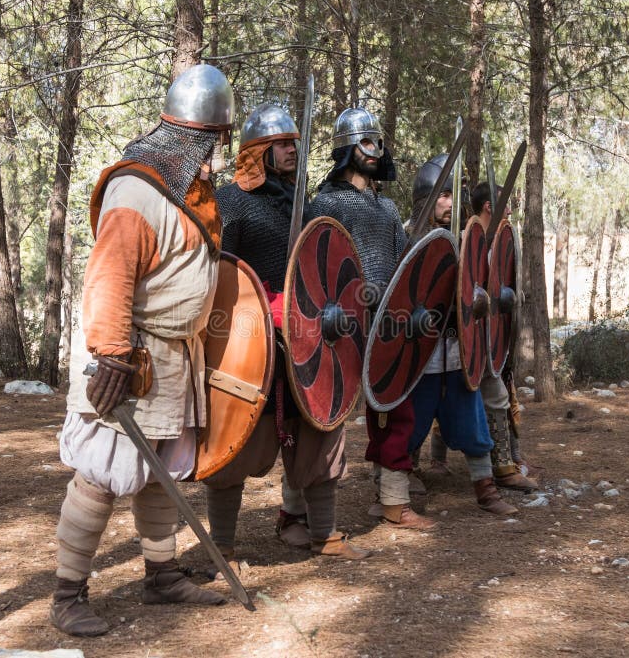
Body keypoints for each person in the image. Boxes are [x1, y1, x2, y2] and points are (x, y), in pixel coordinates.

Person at [49, 64, 235, 637]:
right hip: (133, 355)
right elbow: (109, 276)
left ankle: (161, 576)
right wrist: (110, 354)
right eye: (218, 140)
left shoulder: (190, 191)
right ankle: (67, 593)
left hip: (176, 356)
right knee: (101, 473)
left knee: (161, 475)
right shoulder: (137, 190)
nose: (221, 153)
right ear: (198, 137)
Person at [204, 103, 370, 563]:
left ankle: (324, 534)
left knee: (320, 428)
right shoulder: (231, 203)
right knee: (233, 439)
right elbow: (219, 277)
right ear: (257, 152)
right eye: (281, 144)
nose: (291, 150)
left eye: (294, 143)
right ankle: (222, 546)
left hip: (309, 339)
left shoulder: (307, 206)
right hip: (248, 343)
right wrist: (255, 316)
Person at [311, 107, 437, 530]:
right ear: (347, 148)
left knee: (393, 408)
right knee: (323, 418)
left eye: (377, 142)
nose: (374, 150)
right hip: (341, 323)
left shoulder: (386, 208)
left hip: (387, 322)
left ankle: (392, 501)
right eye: (365, 142)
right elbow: (314, 262)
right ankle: (298, 511)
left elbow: (402, 263)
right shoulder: (327, 203)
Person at [406, 156, 525, 515]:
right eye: (441, 195)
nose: (448, 203)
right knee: (411, 421)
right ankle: (405, 471)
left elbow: (478, 286)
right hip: (418, 349)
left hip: (458, 348)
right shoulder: (405, 234)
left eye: (452, 195)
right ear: (425, 198)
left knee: (472, 421)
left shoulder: (466, 239)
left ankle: (486, 489)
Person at [470, 182, 540, 488]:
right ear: (490, 207)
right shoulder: (468, 245)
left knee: (498, 395)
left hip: (489, 342)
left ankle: (504, 464)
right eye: (505, 205)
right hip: (467, 341)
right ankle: (498, 466)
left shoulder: (494, 247)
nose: (509, 210)